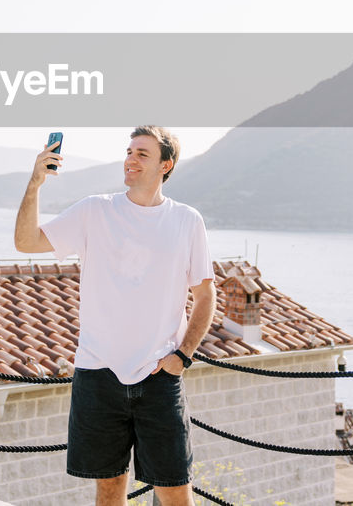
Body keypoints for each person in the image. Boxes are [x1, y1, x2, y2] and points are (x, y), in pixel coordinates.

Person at [14, 125, 216, 506]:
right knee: (108, 491)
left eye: (142, 153)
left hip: (159, 377)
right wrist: (35, 183)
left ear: (165, 165)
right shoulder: (95, 210)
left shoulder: (187, 220)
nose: (130, 159)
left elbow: (206, 295)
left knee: (176, 493)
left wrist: (183, 356)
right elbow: (26, 241)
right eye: (129, 151)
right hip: (97, 375)